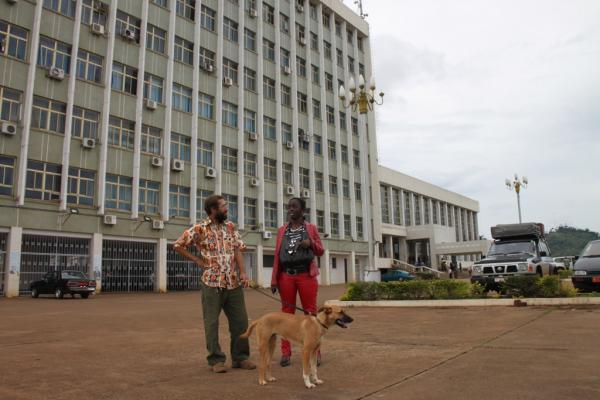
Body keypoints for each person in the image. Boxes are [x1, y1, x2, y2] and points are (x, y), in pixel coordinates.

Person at [174, 194, 256, 374]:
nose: (227, 209)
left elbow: (237, 250)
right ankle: (216, 360)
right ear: (213, 210)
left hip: (233, 283)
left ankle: (240, 358)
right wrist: (196, 260)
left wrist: (243, 272)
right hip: (211, 284)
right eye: (224, 206)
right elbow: (178, 245)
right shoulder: (200, 229)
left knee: (240, 322)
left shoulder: (230, 227)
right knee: (211, 323)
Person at [270, 197, 324, 367]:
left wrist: (311, 243)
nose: (291, 209)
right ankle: (286, 352)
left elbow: (321, 251)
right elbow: (277, 256)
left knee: (311, 314)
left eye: (294, 207)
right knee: (286, 315)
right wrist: (274, 279)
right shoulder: (282, 230)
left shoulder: (311, 228)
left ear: (303, 210)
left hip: (306, 276)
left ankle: (315, 352)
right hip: (286, 276)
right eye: (289, 207)